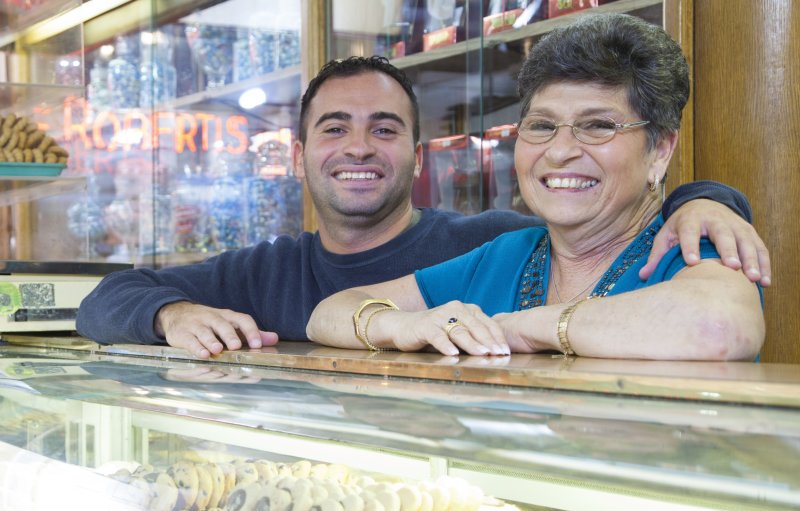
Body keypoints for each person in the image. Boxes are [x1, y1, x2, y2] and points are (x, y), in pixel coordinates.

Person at [76, 53, 769, 359]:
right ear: (297, 155)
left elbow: (708, 315)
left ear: (418, 153)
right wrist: (172, 313)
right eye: (541, 127)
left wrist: (704, 197)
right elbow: (106, 299)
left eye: (384, 128)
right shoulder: (262, 269)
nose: (359, 148)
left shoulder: (484, 241)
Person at [306, 14, 763, 361]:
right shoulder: (507, 254)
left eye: (598, 125)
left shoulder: (689, 244)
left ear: (660, 150)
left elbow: (719, 327)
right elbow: (329, 313)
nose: (560, 151)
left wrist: (527, 328)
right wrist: (400, 325)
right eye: (541, 126)